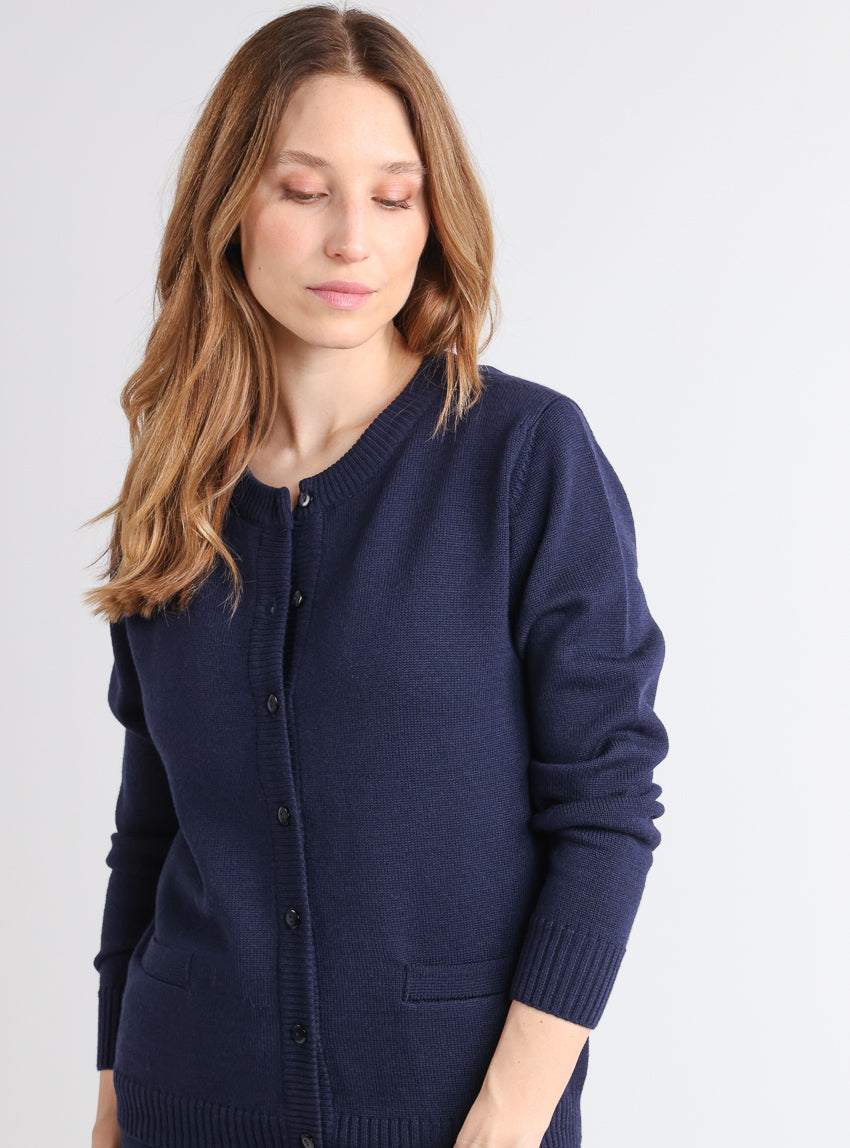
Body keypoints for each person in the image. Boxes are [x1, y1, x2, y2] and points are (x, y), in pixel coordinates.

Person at [84, 5, 669, 1148]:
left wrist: (510, 1117)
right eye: (304, 191)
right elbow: (148, 831)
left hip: (454, 1116)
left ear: (433, 218)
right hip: (184, 1102)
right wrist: (110, 1100)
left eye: (394, 197)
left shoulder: (522, 456)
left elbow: (606, 807)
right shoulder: (176, 484)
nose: (351, 239)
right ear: (228, 208)